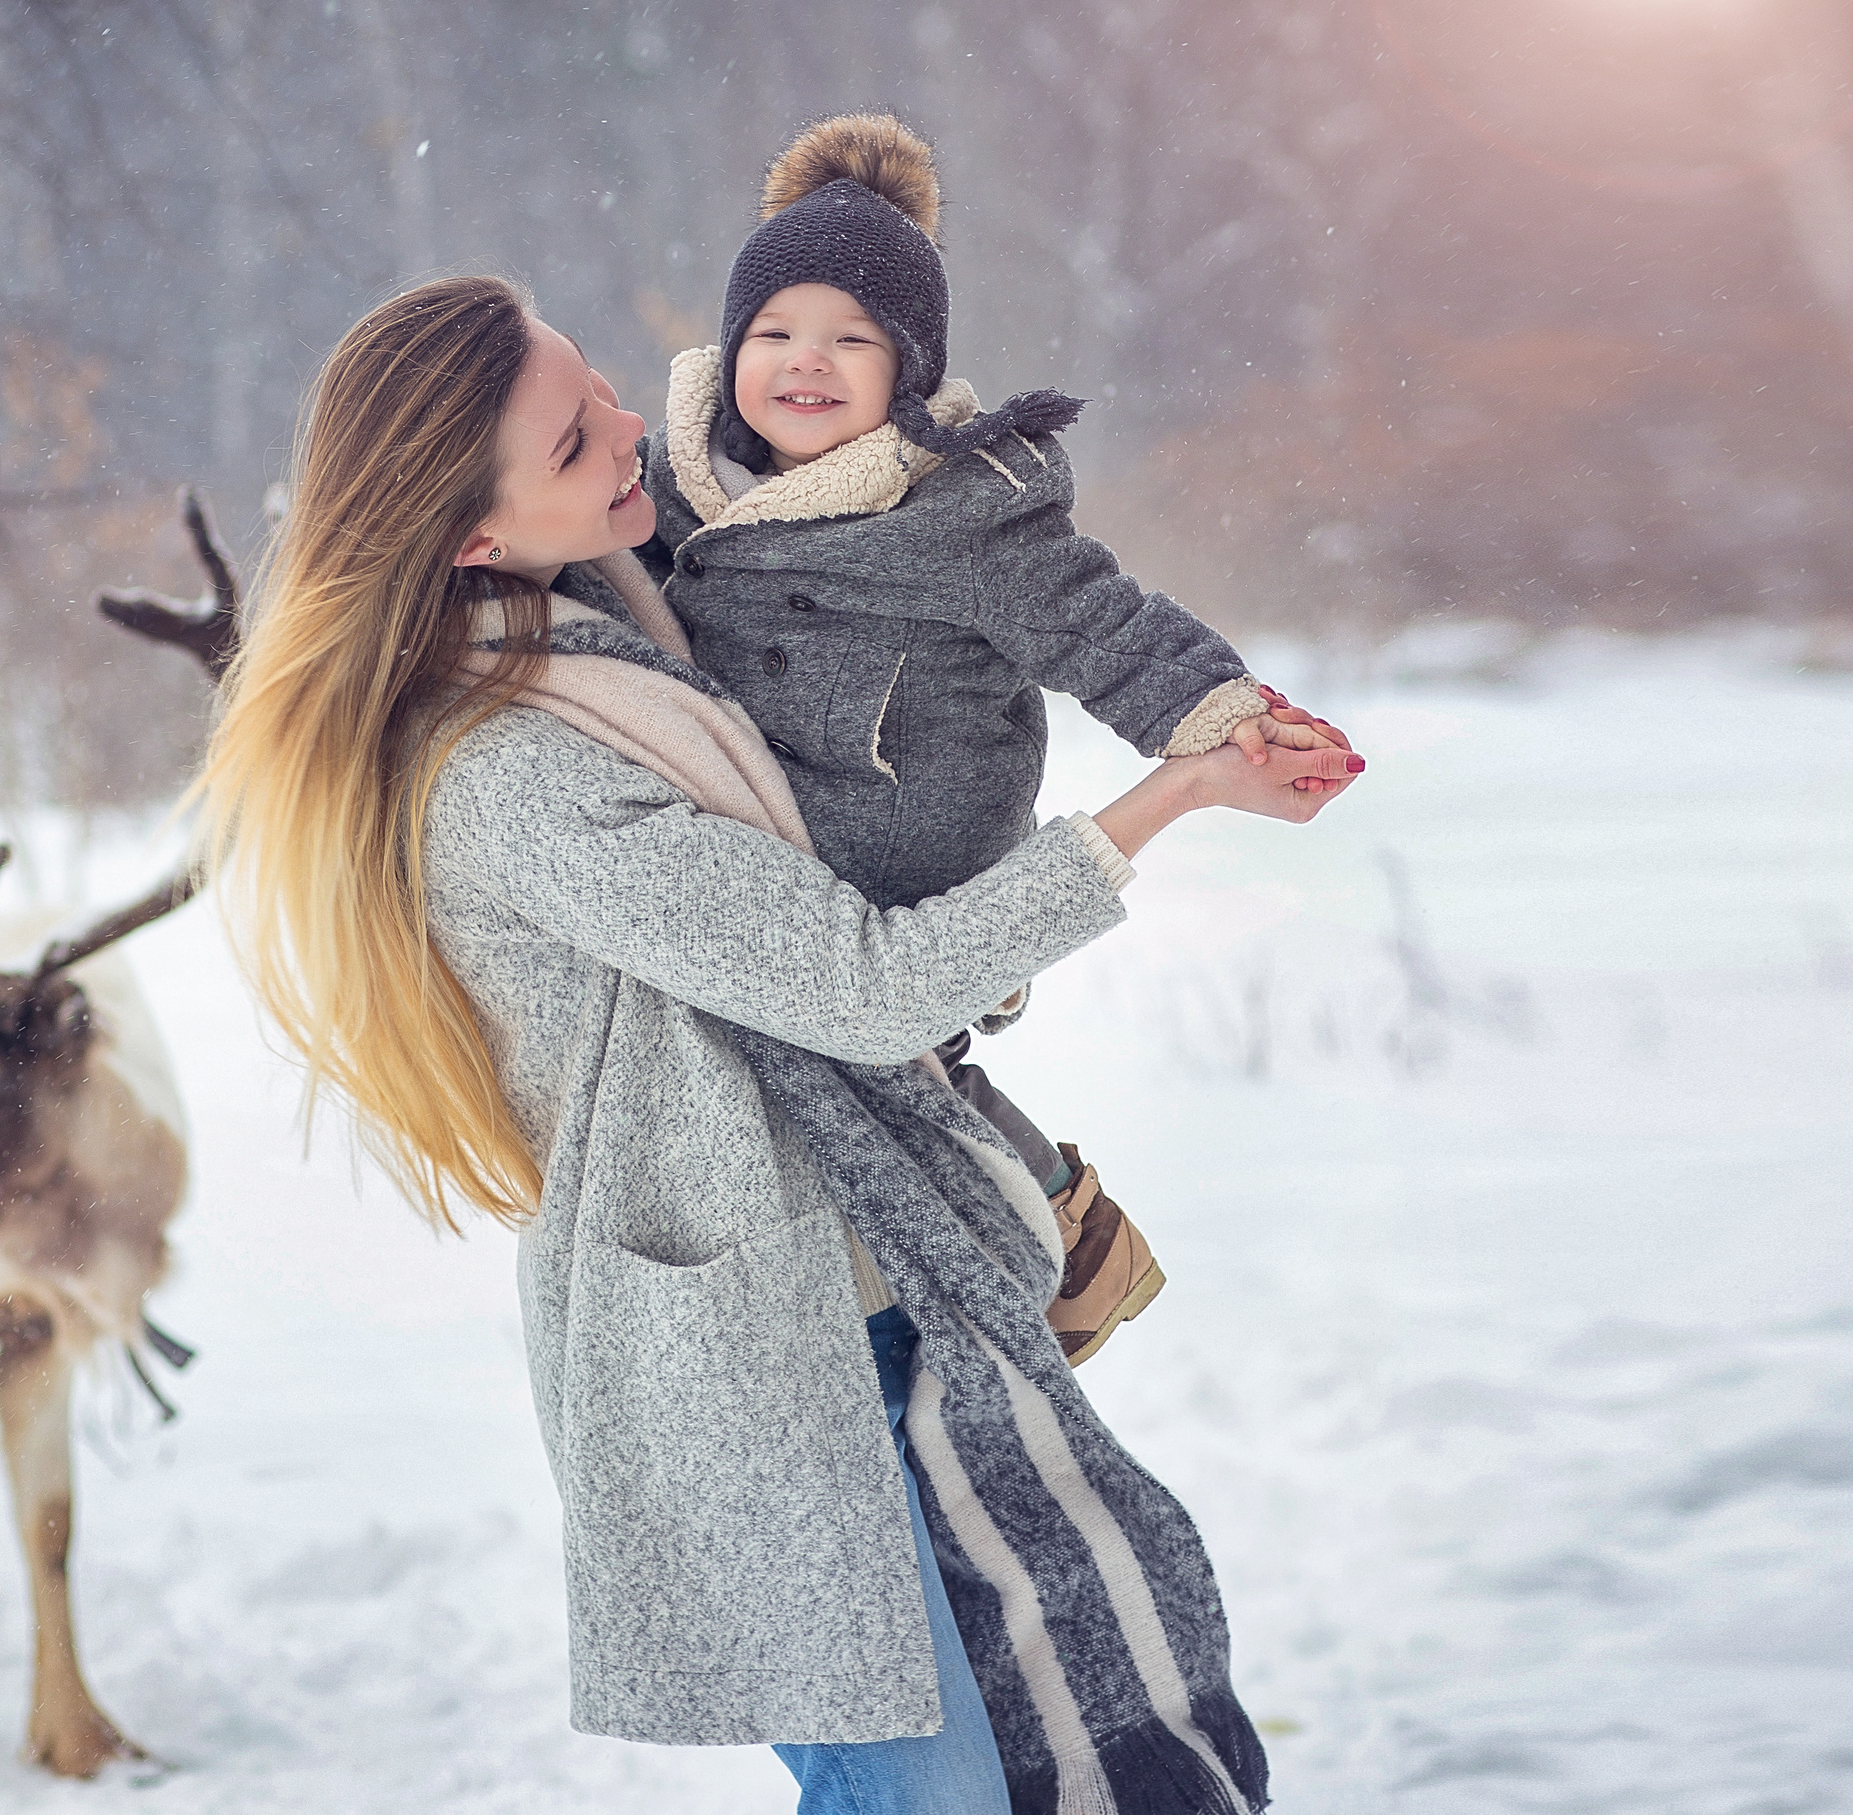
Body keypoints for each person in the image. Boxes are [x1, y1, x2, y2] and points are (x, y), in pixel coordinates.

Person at [200, 276, 1359, 1815]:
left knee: (1037, 1754)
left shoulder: (637, 624)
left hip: (873, 1292)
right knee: (928, 1793)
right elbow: (861, 982)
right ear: (474, 539)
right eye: (572, 441)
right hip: (746, 1357)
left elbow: (889, 618)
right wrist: (1165, 802)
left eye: (597, 384)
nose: (631, 425)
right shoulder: (508, 766)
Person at [643, 114, 1355, 1364]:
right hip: (759, 841)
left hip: (913, 853)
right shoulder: (676, 483)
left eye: (850, 340)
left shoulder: (965, 509)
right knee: (814, 1081)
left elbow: (1107, 627)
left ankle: (1062, 1241)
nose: (805, 363)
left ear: (907, 369)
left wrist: (1229, 724)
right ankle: (925, 1274)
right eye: (775, 333)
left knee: (908, 1068)